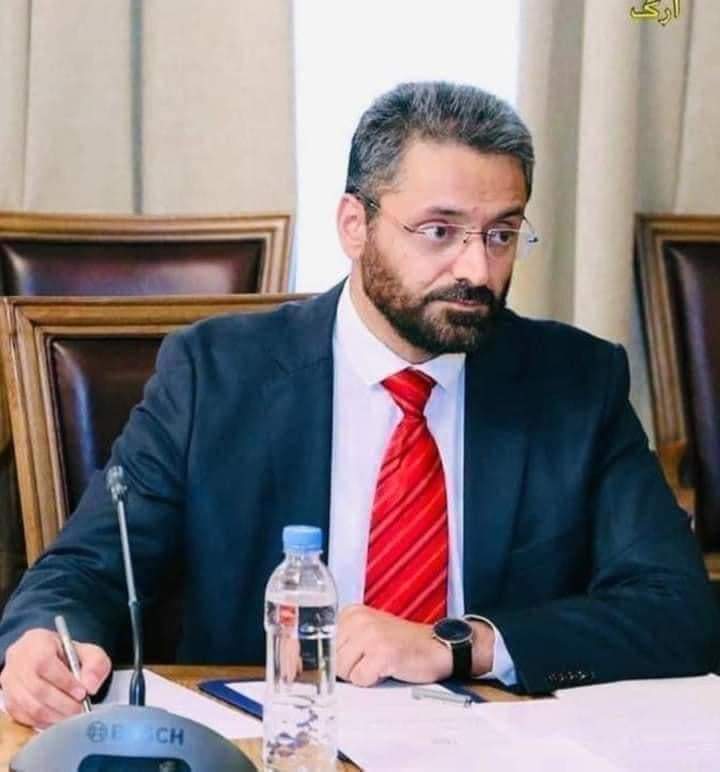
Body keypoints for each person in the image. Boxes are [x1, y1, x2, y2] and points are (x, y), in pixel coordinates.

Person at [0, 81, 718, 729]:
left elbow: (679, 609)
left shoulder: (574, 382)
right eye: (439, 231)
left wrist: (460, 644)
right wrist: (41, 645)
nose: (477, 268)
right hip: (266, 742)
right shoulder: (215, 375)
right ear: (354, 224)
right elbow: (84, 571)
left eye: (501, 233)